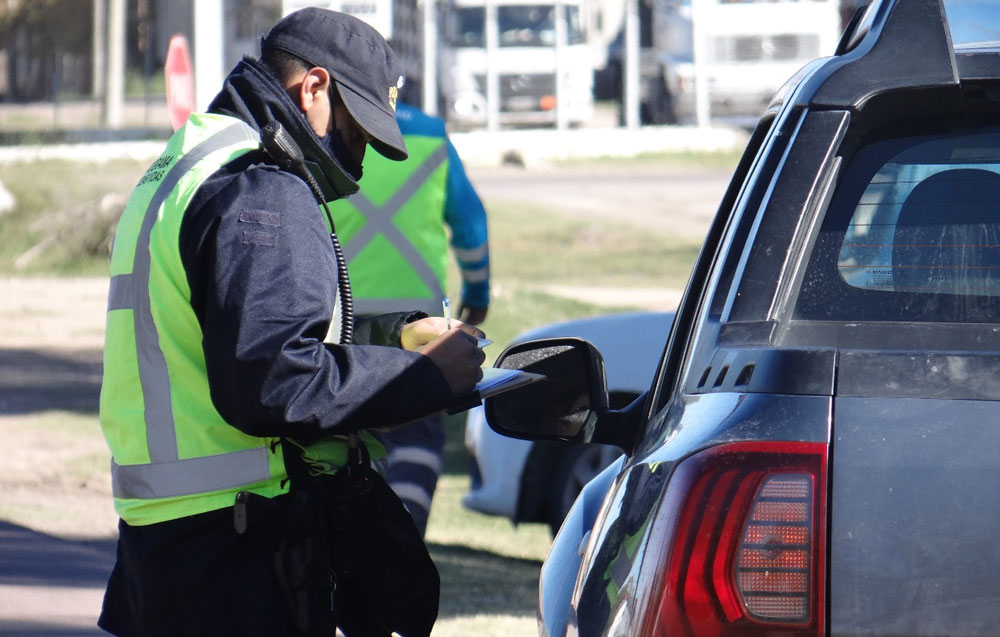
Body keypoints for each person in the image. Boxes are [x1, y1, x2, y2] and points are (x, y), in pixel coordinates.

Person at [96, 8, 485, 637]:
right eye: (358, 131)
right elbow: (276, 380)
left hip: (169, 546)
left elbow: (225, 337)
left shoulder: (191, 160)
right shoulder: (264, 186)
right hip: (238, 551)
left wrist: (389, 341)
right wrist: (426, 378)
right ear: (314, 88)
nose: (358, 160)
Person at [330, 98, 490, 536]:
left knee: (347, 432)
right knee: (417, 435)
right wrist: (477, 290)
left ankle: (354, 538)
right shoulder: (432, 135)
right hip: (417, 320)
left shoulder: (332, 128)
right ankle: (404, 532)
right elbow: (471, 224)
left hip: (341, 312)